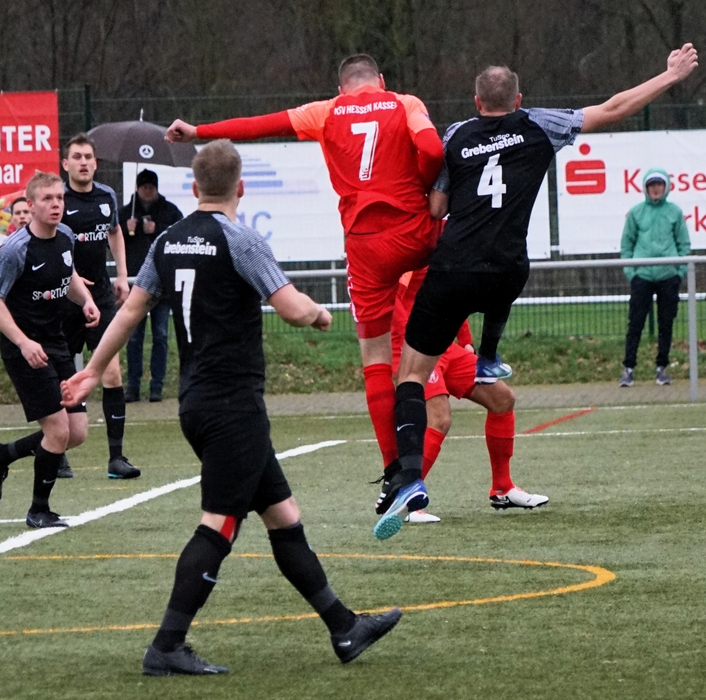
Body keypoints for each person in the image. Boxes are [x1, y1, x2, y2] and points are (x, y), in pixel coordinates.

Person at [61, 140, 402, 676]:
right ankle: (166, 645)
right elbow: (290, 308)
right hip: (233, 408)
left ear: (194, 187)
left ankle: (344, 627)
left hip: (198, 402)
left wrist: (91, 370)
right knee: (218, 526)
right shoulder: (241, 240)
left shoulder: (168, 240)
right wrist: (318, 313)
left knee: (284, 517)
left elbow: (128, 313)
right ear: (241, 187)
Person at [385, 45, 700, 540]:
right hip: (507, 271)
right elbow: (613, 108)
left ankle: (407, 479)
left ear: (476, 102)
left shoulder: (456, 135)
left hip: (453, 270)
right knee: (502, 287)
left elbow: (437, 208)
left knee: (410, 375)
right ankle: (489, 356)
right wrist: (669, 76)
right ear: (519, 99)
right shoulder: (539, 124)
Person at [165, 54, 444, 496]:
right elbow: (432, 149)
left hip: (367, 245)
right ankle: (481, 350)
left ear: (341, 88)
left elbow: (261, 125)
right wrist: (428, 191)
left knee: (376, 359)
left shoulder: (326, 111)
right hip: (417, 232)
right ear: (381, 80)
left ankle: (395, 470)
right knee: (434, 310)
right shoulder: (405, 102)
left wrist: (198, 131)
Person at [378, 267, 548, 523]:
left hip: (443, 346)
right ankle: (406, 498)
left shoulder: (444, 249)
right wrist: (408, 341)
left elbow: (451, 294)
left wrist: (465, 340)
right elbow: (392, 298)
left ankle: (502, 489)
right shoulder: (414, 253)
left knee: (502, 399)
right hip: (415, 347)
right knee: (439, 419)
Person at [0, 171, 100, 528]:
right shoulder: (15, 249)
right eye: (47, 199)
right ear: (30, 206)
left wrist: (86, 300)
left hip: (55, 342)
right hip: (24, 348)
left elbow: (68, 275)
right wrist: (23, 341)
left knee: (76, 432)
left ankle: (3, 454)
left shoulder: (66, 236)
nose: (56, 204)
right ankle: (38, 510)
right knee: (58, 430)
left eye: (59, 198)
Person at [60, 133, 139, 479]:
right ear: (65, 164)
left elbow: (115, 232)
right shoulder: (58, 199)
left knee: (111, 371)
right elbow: (50, 243)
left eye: (88, 157)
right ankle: (58, 449)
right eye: (76, 157)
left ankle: (116, 458)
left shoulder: (107, 195)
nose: (83, 162)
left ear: (96, 162)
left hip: (103, 297)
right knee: (64, 374)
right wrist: (72, 278)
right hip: (64, 299)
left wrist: (121, 274)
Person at [618, 169, 690, 387]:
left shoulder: (675, 212)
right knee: (635, 323)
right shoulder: (636, 212)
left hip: (668, 276)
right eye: (652, 185)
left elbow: (683, 244)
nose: (656, 189)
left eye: (659, 185)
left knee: (666, 323)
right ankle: (629, 368)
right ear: (645, 188)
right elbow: (627, 243)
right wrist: (631, 272)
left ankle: (662, 368)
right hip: (642, 276)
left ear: (666, 187)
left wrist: (679, 272)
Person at [118, 169, 184, 402]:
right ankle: (133, 386)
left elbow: (179, 237)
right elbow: (111, 241)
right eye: (144, 187)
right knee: (134, 337)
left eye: (151, 187)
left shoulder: (170, 212)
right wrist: (126, 229)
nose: (147, 191)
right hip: (136, 284)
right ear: (137, 188)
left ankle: (157, 385)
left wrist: (157, 230)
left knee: (161, 335)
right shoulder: (125, 213)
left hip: (163, 286)